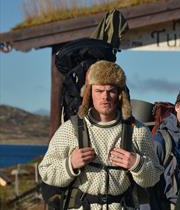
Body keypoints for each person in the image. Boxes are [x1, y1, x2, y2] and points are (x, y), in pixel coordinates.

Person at [39, 60, 163, 209]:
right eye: (99, 91)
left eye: (110, 90)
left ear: (119, 94)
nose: (105, 96)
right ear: (90, 93)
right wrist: (70, 164)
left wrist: (136, 164)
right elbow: (46, 172)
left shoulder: (137, 130)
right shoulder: (70, 130)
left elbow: (154, 177)